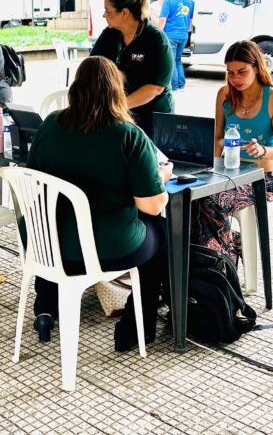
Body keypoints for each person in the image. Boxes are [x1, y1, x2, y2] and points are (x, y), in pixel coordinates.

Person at [25, 57, 173, 352]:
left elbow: (34, 180)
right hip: (106, 249)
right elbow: (152, 206)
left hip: (47, 247)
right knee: (161, 229)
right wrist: (161, 178)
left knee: (56, 218)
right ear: (117, 91)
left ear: (75, 87)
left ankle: (45, 307)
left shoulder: (51, 124)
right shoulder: (128, 135)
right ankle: (135, 328)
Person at [197, 40, 273, 264]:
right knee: (192, 200)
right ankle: (225, 251)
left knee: (210, 203)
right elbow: (217, 138)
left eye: (242, 72)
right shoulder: (225, 94)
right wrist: (212, 168)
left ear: (257, 67)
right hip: (228, 174)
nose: (235, 78)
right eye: (230, 73)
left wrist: (263, 150)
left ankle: (220, 263)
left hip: (261, 181)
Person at [89, 0, 173, 137]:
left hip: (153, 117)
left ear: (124, 13)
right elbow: (93, 67)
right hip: (119, 113)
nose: (104, 15)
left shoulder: (155, 39)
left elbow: (156, 87)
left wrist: (118, 106)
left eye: (107, 10)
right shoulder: (110, 34)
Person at [156, 0, 194, 92]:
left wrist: (157, 34)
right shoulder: (190, 2)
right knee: (178, 60)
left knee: (171, 61)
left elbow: (162, 20)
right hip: (183, 35)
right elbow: (190, 23)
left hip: (171, 35)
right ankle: (181, 85)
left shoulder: (169, 1)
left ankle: (174, 86)